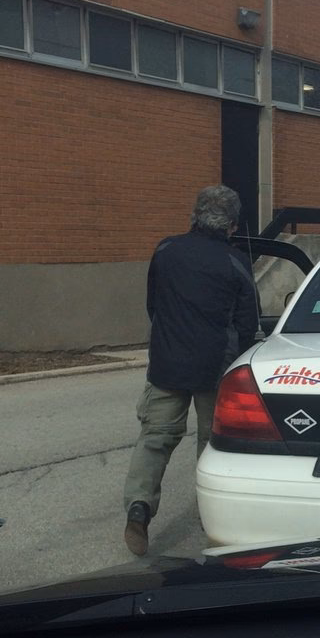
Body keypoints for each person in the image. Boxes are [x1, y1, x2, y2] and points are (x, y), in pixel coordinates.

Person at [123, 185, 259, 555]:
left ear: (193, 217)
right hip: (214, 368)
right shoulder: (236, 263)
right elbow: (248, 324)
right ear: (231, 226)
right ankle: (210, 515)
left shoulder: (166, 251)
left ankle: (139, 506)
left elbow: (153, 304)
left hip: (167, 363)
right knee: (211, 443)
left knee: (155, 438)